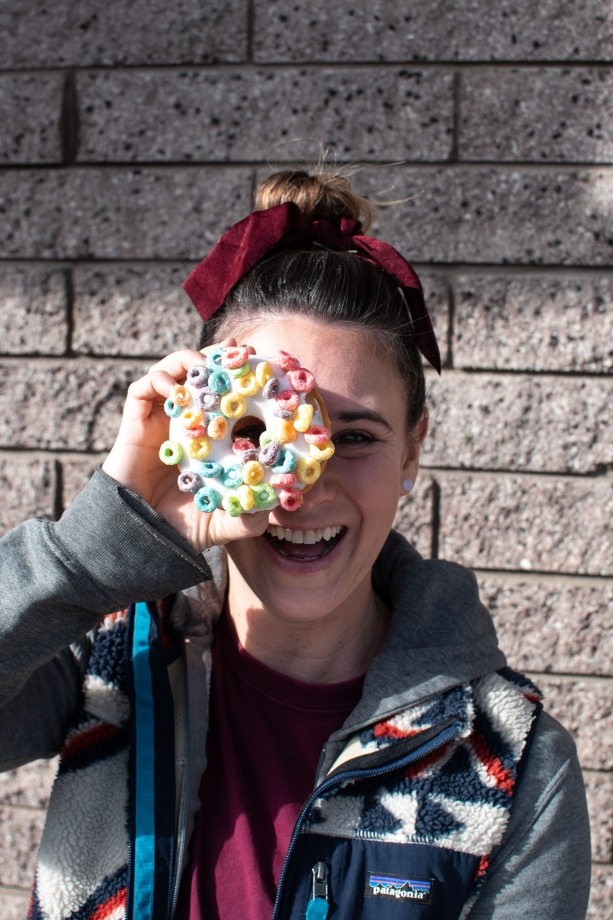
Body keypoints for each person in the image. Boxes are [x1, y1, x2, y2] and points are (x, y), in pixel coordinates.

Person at [0, 171, 590, 920]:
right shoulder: (112, 665)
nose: (304, 486)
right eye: (257, 432)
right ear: (198, 436)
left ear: (413, 451)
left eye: (353, 437)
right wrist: (99, 541)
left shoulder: (511, 759)